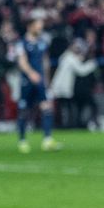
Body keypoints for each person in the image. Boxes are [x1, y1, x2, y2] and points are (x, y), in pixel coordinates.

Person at [14, 18, 61, 153]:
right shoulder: (21, 44)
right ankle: (22, 140)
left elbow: (45, 62)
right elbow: (22, 62)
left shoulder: (42, 43)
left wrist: (47, 81)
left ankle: (47, 140)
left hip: (40, 81)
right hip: (27, 81)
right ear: (30, 26)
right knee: (24, 110)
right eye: (37, 26)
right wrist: (31, 73)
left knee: (47, 107)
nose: (40, 28)